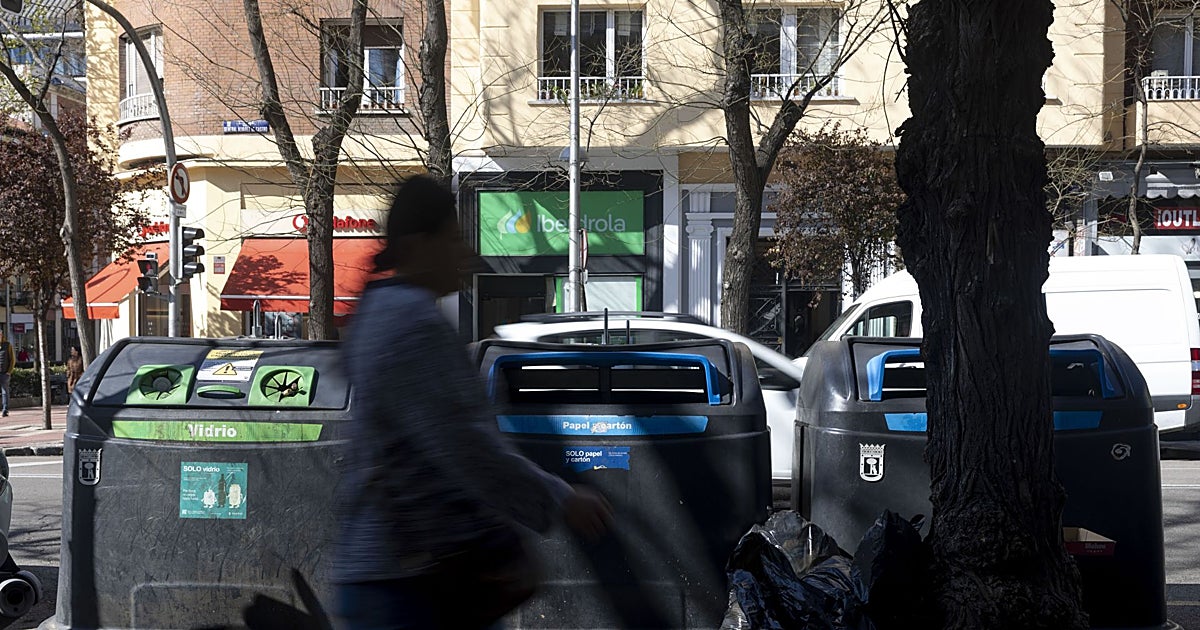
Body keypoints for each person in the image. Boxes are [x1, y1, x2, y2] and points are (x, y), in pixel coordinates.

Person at [334, 175, 612, 630]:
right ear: (419, 244)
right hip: (411, 581)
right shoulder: (413, 324)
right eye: (455, 239)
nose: (466, 254)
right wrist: (561, 497)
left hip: (384, 572)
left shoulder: (376, 313)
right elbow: (462, 446)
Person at [0, 333, 12, 417]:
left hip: (4, 373)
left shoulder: (7, 345)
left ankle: (5, 409)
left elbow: (12, 359)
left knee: (4, 392)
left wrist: (9, 371)